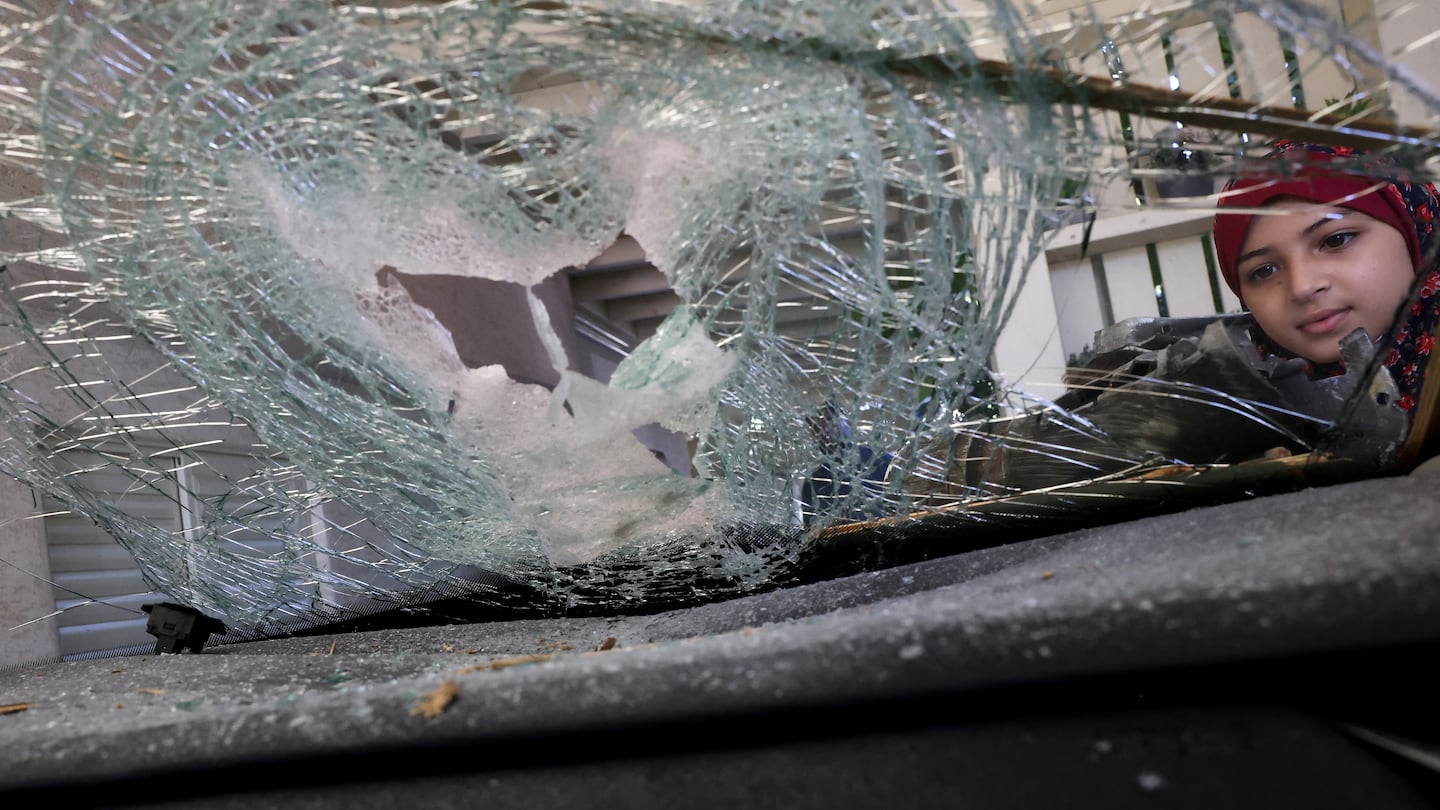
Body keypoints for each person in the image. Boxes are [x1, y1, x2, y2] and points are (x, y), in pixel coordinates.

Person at [1212, 140, 1440, 414]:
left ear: (1415, 231)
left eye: (1336, 240)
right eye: (1264, 271)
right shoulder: (1253, 427)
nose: (1302, 287)